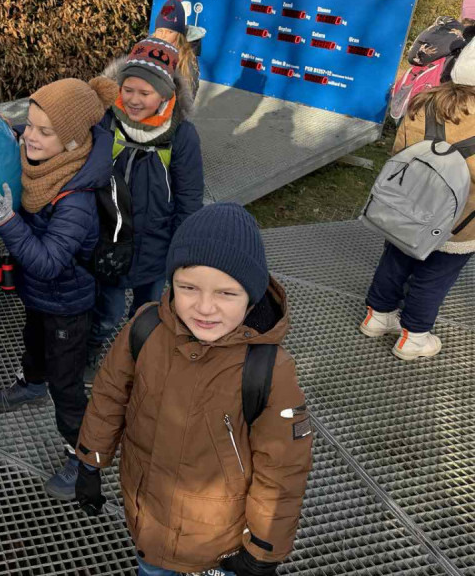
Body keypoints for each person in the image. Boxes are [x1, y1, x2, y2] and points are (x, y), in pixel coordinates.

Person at [75, 203, 313, 576]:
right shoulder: (146, 329)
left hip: (218, 542)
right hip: (147, 522)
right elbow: (109, 395)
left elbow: (282, 467)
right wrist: (90, 459)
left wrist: (264, 548)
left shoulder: (268, 369)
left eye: (226, 294)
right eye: (188, 288)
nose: (204, 307)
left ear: (251, 297)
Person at [0, 77, 118, 500]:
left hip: (67, 304)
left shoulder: (76, 199)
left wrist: (6, 220)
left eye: (43, 131)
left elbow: (50, 263)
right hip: (39, 296)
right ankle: (32, 382)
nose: (30, 136)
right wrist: (3, 128)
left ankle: (83, 458)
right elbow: (24, 131)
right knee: (33, 339)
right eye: (29, 124)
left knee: (66, 386)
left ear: (70, 142)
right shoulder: (48, 160)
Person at [85, 38, 205, 379]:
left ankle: (136, 356)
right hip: (109, 239)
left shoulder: (182, 136)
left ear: (165, 95)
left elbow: (189, 199)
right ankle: (92, 349)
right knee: (107, 312)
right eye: (128, 90)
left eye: (145, 93)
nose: (134, 100)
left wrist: (182, 253)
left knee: (146, 312)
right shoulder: (105, 121)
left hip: (156, 244)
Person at [360, 41, 475, 360]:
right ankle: (414, 337)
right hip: (459, 223)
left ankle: (377, 317)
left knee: (395, 260)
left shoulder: (426, 101)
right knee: (434, 277)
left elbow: (400, 151)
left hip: (408, 207)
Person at [150, 0, 201, 98]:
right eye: (160, 30)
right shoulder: (146, 50)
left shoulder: (186, 61)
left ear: (179, 35)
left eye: (170, 32)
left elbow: (186, 99)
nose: (163, 36)